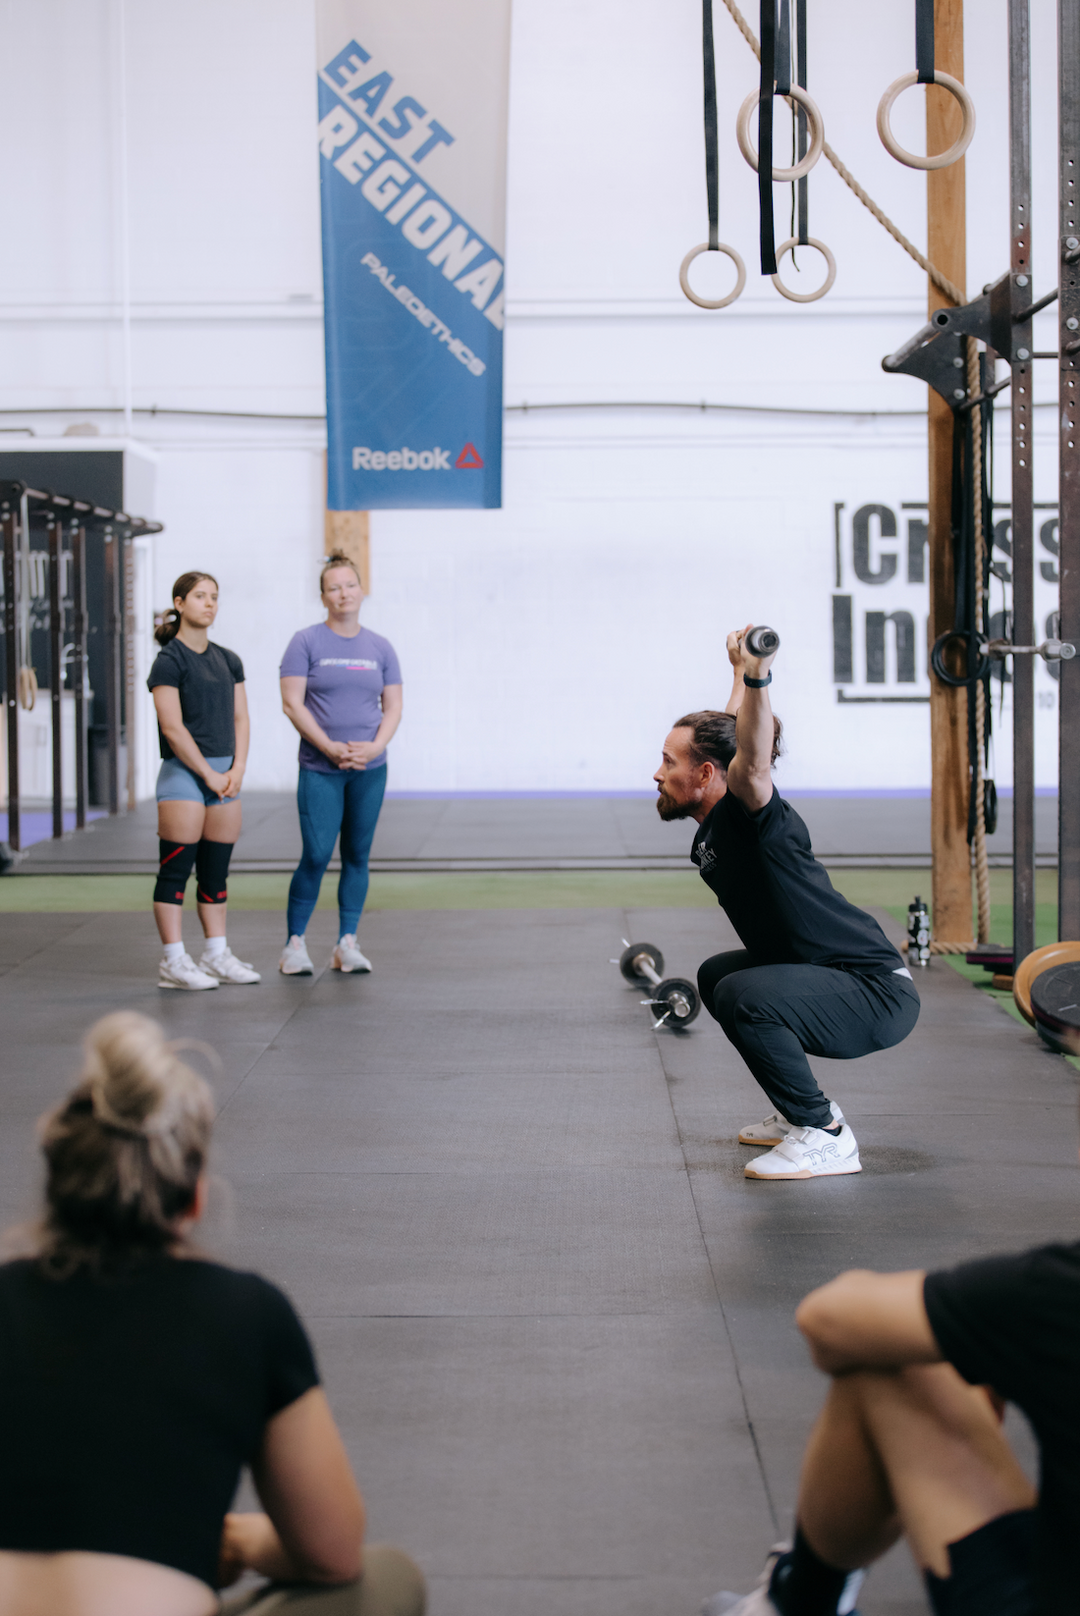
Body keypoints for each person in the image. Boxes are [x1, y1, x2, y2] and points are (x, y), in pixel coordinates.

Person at [0, 1010, 426, 1616]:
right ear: (195, 1195)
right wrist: (241, 1540)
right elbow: (331, 1554)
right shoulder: (248, 1314)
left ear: (59, 1186)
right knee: (387, 1579)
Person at [699, 1187, 1080, 1616]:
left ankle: (800, 1599)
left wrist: (985, 1346)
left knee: (896, 1360)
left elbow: (828, 1318)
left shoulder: (1063, 1285)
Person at [652, 625, 919, 1181]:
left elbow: (748, 758)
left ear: (704, 776)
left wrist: (757, 676)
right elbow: (728, 742)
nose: (658, 773)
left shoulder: (754, 812)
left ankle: (824, 1134)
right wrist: (734, 676)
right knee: (718, 975)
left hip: (873, 991)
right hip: (827, 974)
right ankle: (796, 1109)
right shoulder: (720, 816)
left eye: (667, 762)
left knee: (749, 994)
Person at [278, 553, 402, 977]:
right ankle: (294, 945)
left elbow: (394, 707)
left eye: (350, 585)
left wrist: (373, 748)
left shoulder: (380, 647)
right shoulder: (305, 642)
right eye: (334, 587)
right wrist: (329, 747)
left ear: (361, 590)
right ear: (323, 596)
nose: (343, 593)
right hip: (320, 767)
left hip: (369, 768)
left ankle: (346, 943)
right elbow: (292, 704)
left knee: (357, 855)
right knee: (315, 854)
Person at [148, 571, 260, 990]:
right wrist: (209, 774)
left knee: (215, 874)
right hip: (186, 776)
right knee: (175, 873)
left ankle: (215, 954)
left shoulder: (228, 659)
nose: (209, 603)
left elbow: (241, 718)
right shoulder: (169, 661)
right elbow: (173, 729)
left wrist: (237, 769)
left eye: (214, 597)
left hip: (225, 777)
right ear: (180, 604)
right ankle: (173, 962)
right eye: (200, 596)